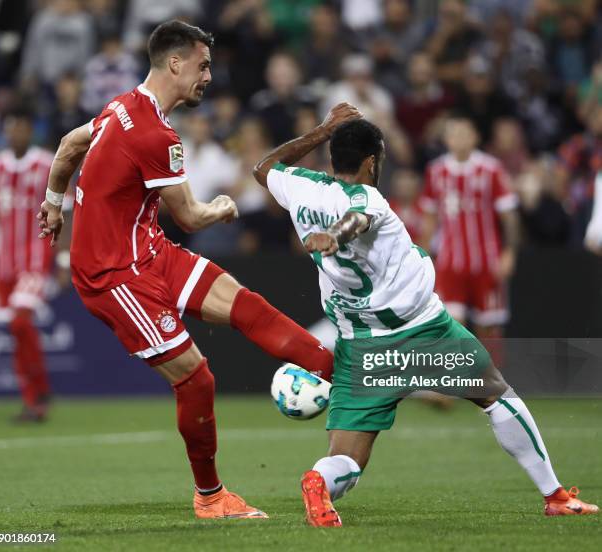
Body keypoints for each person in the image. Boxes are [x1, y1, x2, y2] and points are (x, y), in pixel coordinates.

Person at [37, 20, 334, 520]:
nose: (209, 76)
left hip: (150, 249)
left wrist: (52, 204)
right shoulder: (156, 134)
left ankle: (336, 374)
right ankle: (211, 496)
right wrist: (222, 206)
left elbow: (69, 145)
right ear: (175, 63)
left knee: (245, 305)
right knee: (196, 379)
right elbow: (191, 216)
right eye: (202, 65)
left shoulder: (122, 107)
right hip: (113, 276)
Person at [252, 106, 598, 527]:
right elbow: (356, 218)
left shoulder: (301, 188)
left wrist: (322, 131)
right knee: (497, 397)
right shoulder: (370, 198)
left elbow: (265, 167)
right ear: (372, 162)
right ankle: (556, 495)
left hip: (362, 348)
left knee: (346, 459)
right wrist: (335, 235)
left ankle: (318, 482)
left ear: (329, 158)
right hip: (425, 334)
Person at [419, 114, 519, 342]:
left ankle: (490, 377)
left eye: (465, 133)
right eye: (454, 134)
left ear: (475, 137)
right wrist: (424, 257)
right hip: (450, 262)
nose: (459, 139)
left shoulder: (491, 169)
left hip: (487, 261)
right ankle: (459, 377)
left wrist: (509, 252)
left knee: (489, 329)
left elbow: (509, 216)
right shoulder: (435, 171)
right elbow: (430, 218)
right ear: (446, 139)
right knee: (451, 326)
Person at [0, 108, 56, 421]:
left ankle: (37, 395)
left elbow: (66, 207)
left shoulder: (46, 165)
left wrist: (66, 258)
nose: (16, 133)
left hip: (34, 260)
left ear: (30, 130)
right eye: (12, 127)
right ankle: (36, 395)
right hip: (4, 264)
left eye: (22, 127)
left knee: (19, 322)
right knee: (18, 332)